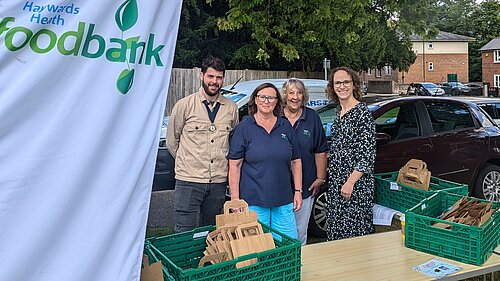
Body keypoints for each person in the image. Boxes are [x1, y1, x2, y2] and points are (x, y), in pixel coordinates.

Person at [166, 56, 238, 233]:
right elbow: (172, 142)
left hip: (218, 183)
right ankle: (184, 262)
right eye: (210, 76)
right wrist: (189, 161)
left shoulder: (231, 108)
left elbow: (233, 141)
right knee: (184, 232)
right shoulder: (184, 105)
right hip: (189, 180)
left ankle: (207, 262)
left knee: (212, 233)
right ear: (202, 75)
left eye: (219, 78)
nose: (214, 82)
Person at [228, 83, 303, 239]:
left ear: (277, 102)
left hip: (283, 199)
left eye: (271, 98)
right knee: (257, 249)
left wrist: (298, 191)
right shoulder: (244, 128)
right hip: (253, 201)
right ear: (255, 100)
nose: (266, 101)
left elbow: (296, 161)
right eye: (262, 97)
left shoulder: (285, 126)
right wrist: (235, 199)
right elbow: (235, 165)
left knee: (286, 247)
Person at [325, 66, 376, 241]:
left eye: (346, 82)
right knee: (336, 231)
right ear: (332, 87)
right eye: (337, 83)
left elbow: (367, 155)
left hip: (355, 186)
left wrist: (350, 183)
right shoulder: (338, 113)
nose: (342, 86)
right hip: (337, 183)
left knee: (354, 237)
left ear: (354, 84)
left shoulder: (362, 114)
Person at [281, 78, 328, 245]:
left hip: (306, 185)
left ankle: (298, 264)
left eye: (299, 93)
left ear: (304, 96)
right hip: (278, 186)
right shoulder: (275, 117)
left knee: (300, 230)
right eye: (291, 93)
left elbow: (320, 150)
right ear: (285, 95)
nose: (295, 97)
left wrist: (320, 178)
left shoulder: (312, 117)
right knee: (279, 233)